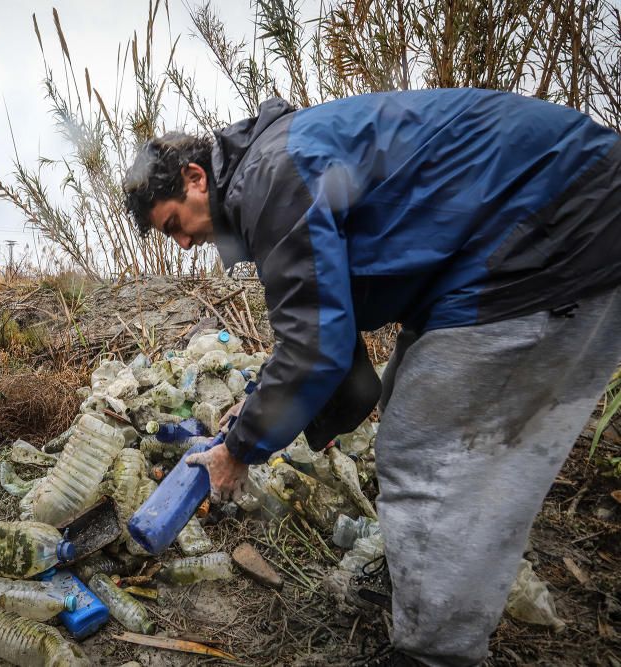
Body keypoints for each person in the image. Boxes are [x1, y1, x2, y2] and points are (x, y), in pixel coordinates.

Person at [123, 89, 621, 666]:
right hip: (507, 242)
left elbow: (315, 348)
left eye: (173, 225)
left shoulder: (270, 176)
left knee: (430, 455)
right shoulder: (273, 164)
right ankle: (431, 579)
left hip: (554, 233)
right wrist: (259, 403)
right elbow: (319, 319)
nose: (183, 244)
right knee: (411, 410)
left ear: (194, 177)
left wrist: (238, 450)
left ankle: (437, 654)